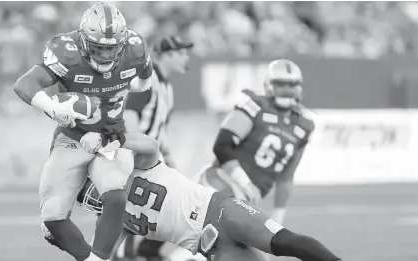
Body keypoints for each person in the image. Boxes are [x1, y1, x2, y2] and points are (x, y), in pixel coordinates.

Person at [13, 3, 152, 261]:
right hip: (72, 138)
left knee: (115, 195)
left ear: (122, 44)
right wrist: (53, 107)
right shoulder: (67, 50)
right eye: (99, 48)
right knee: (52, 220)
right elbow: (24, 85)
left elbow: (145, 81)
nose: (105, 56)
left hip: (111, 138)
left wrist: (127, 89)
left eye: (112, 49)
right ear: (85, 41)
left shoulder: (134, 47)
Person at [76, 134, 342, 261]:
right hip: (209, 247)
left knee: (283, 241)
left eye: (90, 187)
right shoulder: (112, 220)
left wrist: (120, 143)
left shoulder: (137, 167)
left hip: (220, 211)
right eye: (86, 196)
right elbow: (100, 256)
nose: (93, 196)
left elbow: (149, 145)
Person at [196, 59, 314, 225]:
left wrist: (278, 220)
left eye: (292, 85)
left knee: (244, 244)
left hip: (245, 197)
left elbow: (286, 178)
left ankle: (151, 248)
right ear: (269, 85)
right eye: (281, 84)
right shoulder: (256, 106)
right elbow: (222, 146)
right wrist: (244, 181)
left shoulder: (304, 126)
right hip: (221, 180)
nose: (287, 90)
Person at [119, 35, 194, 261]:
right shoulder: (148, 79)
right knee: (135, 208)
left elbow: (159, 127)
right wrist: (134, 152)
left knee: (170, 203)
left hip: (153, 158)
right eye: (181, 53)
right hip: (141, 158)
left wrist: (168, 155)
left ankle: (145, 252)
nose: (186, 58)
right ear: (167, 56)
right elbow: (130, 116)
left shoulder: (166, 86)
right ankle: (127, 254)